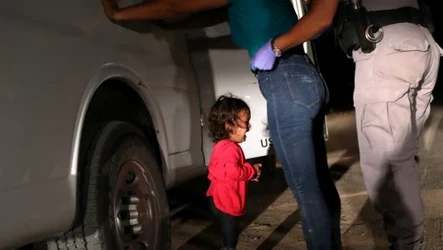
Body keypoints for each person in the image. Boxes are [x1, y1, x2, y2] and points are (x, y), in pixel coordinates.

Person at [100, 0, 342, 249]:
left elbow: (175, 5)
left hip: (285, 79)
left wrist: (118, 12)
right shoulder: (237, 7)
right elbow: (201, 16)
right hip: (299, 78)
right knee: (318, 185)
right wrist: (159, 24)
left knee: (306, 189)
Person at [329, 0, 443, 249]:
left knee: (389, 166)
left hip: (385, 44)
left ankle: (408, 243)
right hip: (421, 41)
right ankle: (410, 240)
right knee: (403, 157)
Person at [205, 95, 261, 250]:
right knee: (231, 240)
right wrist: (250, 171)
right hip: (225, 201)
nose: (248, 127)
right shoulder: (229, 148)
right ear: (229, 125)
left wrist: (250, 175)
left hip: (218, 198)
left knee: (226, 235)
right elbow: (232, 171)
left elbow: (228, 172)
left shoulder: (222, 146)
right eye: (245, 122)